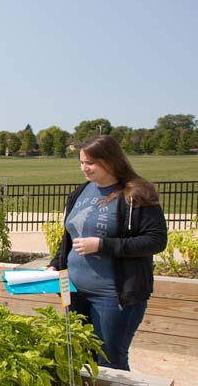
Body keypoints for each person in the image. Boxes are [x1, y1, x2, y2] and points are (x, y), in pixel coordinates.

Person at [49, 135, 167, 371]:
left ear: (111, 161)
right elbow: (70, 236)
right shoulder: (81, 192)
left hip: (114, 297)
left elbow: (155, 241)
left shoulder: (135, 193)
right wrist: (56, 263)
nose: (84, 168)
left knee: (110, 360)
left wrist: (102, 245)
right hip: (75, 293)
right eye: (82, 162)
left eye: (90, 163)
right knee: (81, 356)